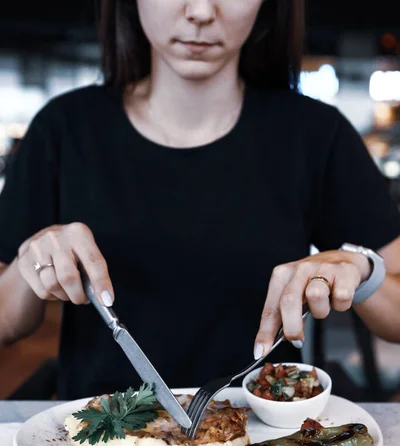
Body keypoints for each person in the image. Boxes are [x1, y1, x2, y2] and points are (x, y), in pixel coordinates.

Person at [0, 0, 399, 401]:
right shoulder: (64, 129)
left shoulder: (316, 135)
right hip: (96, 441)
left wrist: (361, 269)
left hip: (261, 443)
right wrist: (31, 263)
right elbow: (5, 323)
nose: (201, 11)